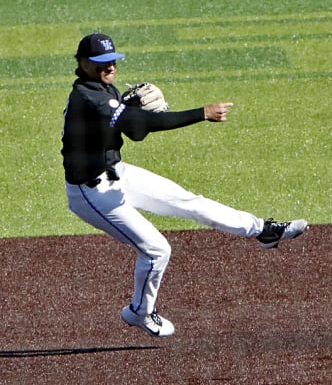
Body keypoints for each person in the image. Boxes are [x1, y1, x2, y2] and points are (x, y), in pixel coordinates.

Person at [62, 33, 308, 337]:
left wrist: (133, 111)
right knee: (156, 251)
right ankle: (139, 312)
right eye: (101, 62)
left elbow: (134, 133)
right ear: (83, 63)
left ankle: (263, 231)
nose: (110, 66)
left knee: (189, 201)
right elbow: (138, 126)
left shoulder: (103, 87)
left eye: (112, 60)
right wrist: (200, 114)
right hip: (91, 193)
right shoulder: (89, 97)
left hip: (117, 174)